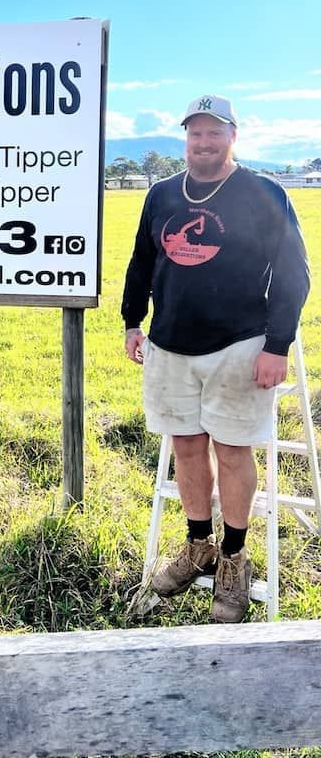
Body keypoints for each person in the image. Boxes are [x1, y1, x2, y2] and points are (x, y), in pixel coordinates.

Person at [122, 94, 310, 622]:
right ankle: (198, 543)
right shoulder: (161, 195)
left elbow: (294, 273)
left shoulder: (263, 193)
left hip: (239, 344)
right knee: (185, 446)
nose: (203, 143)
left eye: (214, 133)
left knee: (231, 450)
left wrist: (277, 345)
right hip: (170, 344)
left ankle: (233, 557)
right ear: (185, 138)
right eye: (195, 134)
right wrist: (133, 321)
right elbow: (142, 260)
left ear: (233, 136)